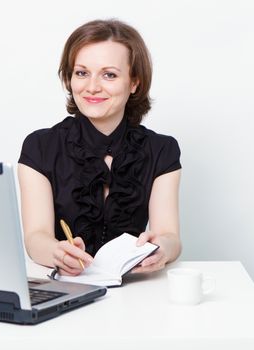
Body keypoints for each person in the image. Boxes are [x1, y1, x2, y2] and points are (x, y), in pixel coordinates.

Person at [18, 19, 182, 277]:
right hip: (63, 289)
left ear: (134, 83)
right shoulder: (39, 147)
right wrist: (57, 252)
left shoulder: (162, 150)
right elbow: (36, 237)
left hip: (137, 292)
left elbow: (170, 236)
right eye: (82, 72)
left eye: (109, 75)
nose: (92, 87)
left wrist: (162, 249)